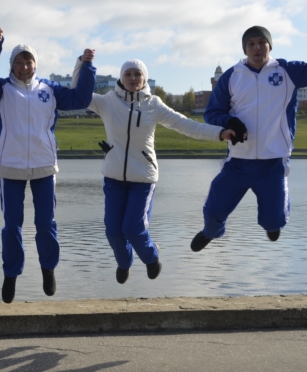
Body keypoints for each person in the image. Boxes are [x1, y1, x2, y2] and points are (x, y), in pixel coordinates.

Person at [192, 4, 307, 252]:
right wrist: (230, 122)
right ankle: (210, 232)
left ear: (269, 46)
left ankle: (273, 222)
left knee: (274, 220)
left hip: (273, 162)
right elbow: (212, 113)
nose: (257, 48)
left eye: (261, 43)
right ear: (245, 49)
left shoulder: (288, 71)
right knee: (213, 210)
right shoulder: (232, 76)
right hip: (238, 162)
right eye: (251, 44)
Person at [71, 57, 234, 284]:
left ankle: (152, 256)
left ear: (144, 78)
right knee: (113, 231)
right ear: (121, 77)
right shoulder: (107, 101)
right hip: (113, 177)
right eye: (128, 74)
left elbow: (186, 124)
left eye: (137, 74)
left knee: (133, 228)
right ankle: (125, 262)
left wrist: (219, 132)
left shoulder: (153, 104)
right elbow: (77, 93)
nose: (132, 79)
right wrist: (82, 64)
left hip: (143, 177)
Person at [0, 27, 96, 303]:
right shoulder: (0, 90)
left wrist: (87, 67)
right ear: (12, 65)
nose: (24, 66)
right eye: (19, 61)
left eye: (29, 62)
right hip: (11, 167)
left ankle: (48, 268)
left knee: (45, 223)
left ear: (35, 64)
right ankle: (11, 273)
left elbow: (81, 99)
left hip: (43, 166)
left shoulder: (49, 90)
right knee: (12, 225)